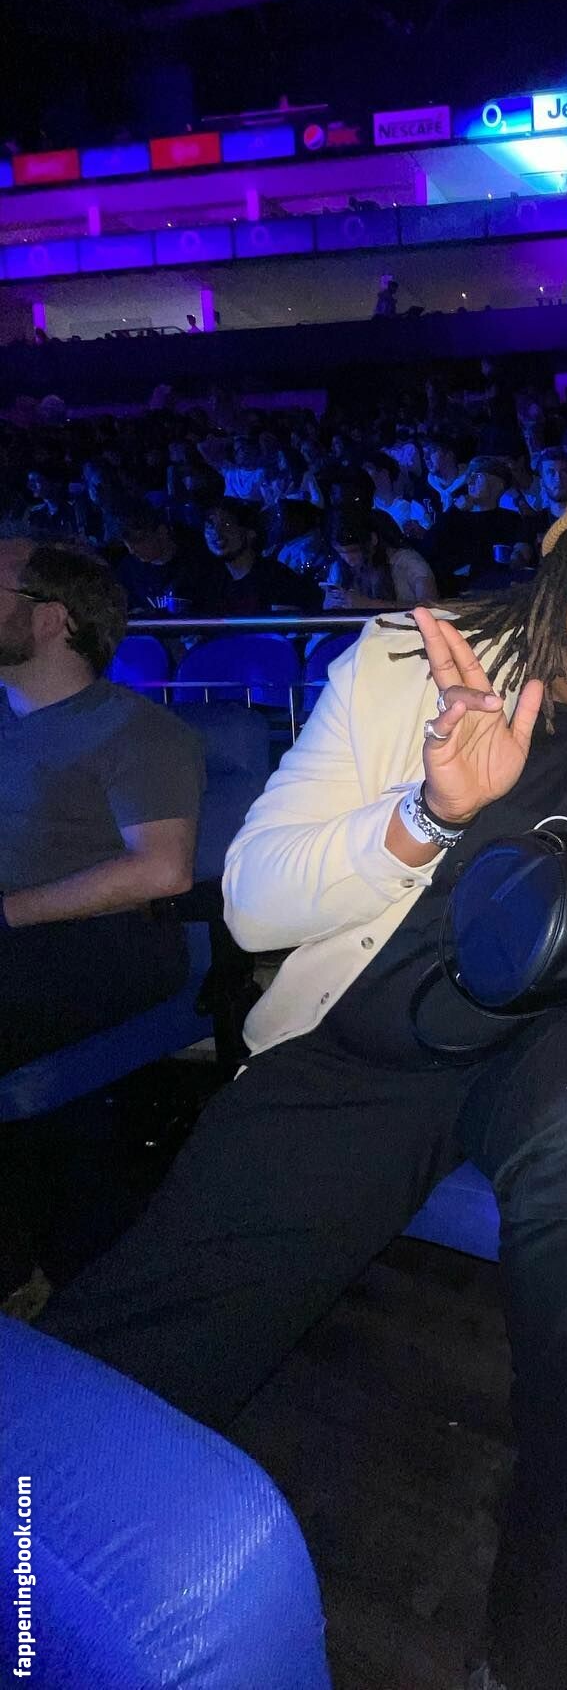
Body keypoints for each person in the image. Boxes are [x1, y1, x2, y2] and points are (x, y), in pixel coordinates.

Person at [36, 449, 567, 1690]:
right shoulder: (402, 660)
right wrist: (428, 810)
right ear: (565, 546)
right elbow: (254, 903)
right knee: (168, 1303)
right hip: (380, 1038)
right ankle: (28, 1544)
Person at [0, 537, 202, 1292]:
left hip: (106, 940)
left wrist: (6, 914)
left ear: (50, 617)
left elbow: (162, 869)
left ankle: (17, 1275)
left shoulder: (135, 730)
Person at [196, 500, 321, 617]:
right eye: (210, 525)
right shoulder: (212, 583)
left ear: (250, 533)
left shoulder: (277, 579)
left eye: (227, 524)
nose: (217, 532)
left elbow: (283, 628)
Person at [321, 509, 438, 610]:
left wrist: (369, 605)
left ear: (373, 540)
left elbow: (431, 609)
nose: (348, 559)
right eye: (341, 552)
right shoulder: (338, 568)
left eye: (354, 551)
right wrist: (331, 606)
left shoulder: (409, 564)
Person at [112, 503, 217, 614]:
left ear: (161, 532)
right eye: (127, 544)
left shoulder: (198, 564)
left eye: (138, 540)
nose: (132, 550)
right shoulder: (128, 571)